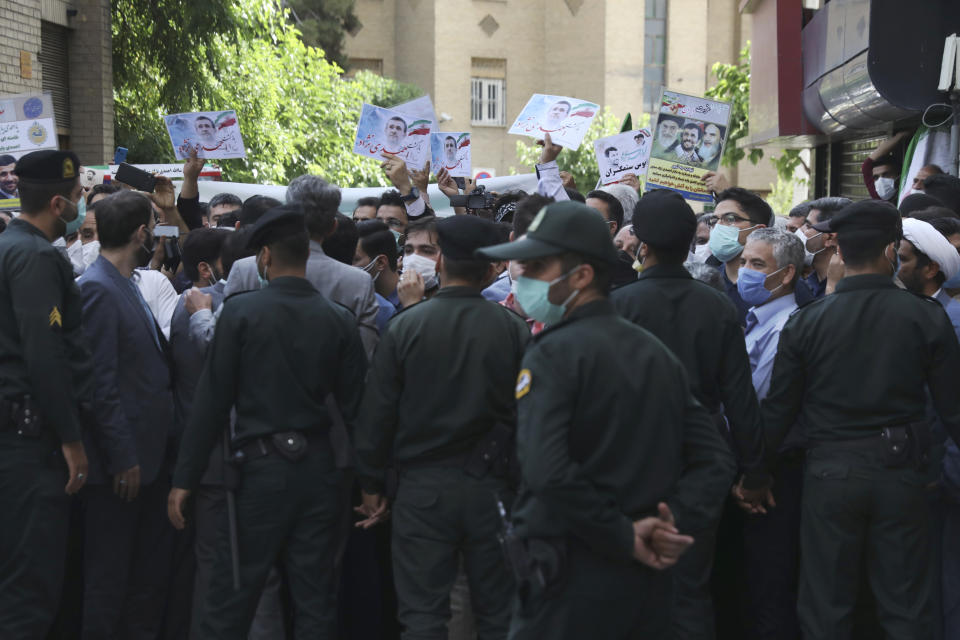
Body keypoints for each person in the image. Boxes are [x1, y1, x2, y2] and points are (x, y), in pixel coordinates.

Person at [476, 201, 736, 638]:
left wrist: (624, 534)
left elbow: (546, 471)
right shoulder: (654, 353)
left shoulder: (554, 354)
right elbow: (715, 460)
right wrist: (670, 524)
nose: (520, 277)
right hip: (641, 583)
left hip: (568, 578)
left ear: (581, 277)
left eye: (537, 266)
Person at [761, 200, 960, 638]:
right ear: (891, 251)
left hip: (830, 475)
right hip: (904, 474)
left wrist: (755, 474)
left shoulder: (807, 322)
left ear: (837, 250)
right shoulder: (925, 317)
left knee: (827, 603)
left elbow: (779, 409)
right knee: (905, 604)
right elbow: (953, 409)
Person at [169, 205, 367, 637]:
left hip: (258, 470)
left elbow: (212, 402)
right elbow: (357, 411)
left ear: (265, 257)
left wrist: (184, 479)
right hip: (320, 471)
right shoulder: (339, 319)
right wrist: (370, 485)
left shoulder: (240, 313)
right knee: (315, 599)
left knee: (233, 592)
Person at [354, 214, 530, 639]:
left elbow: (377, 414)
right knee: (496, 612)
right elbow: (529, 418)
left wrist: (371, 487)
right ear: (492, 269)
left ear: (442, 261)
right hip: (494, 490)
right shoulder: (513, 329)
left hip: (422, 492)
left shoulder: (405, 326)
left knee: (422, 615)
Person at [611, 189, 767, 640]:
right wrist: (755, 473)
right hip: (701, 465)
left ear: (642, 243)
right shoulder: (717, 306)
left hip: (630, 464)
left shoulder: (619, 307)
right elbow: (741, 399)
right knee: (690, 590)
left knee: (628, 588)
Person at [77, 190, 178, 639]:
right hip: (123, 466)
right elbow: (101, 384)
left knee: (141, 579)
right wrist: (122, 456)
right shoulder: (97, 288)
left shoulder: (128, 283)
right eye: (154, 223)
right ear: (142, 233)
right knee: (110, 580)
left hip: (147, 459)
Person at [0, 150, 89, 637]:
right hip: (29, 444)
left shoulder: (9, 247)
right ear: (58, 204)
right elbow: (45, 354)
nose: (80, 206)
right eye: (77, 198)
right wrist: (71, 440)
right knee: (29, 594)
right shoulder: (34, 256)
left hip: (15, 437)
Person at [735, 228, 805, 640]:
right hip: (755, 470)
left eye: (757, 265)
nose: (745, 272)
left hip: (769, 478)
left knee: (769, 589)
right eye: (745, 262)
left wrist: (753, 476)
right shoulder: (756, 321)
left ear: (787, 274)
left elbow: (761, 408)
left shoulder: (784, 329)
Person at [224, 175, 379, 359]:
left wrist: (200, 314)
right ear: (333, 227)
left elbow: (221, 344)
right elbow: (364, 356)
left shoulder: (245, 269)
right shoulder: (359, 282)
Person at [706, 187, 773, 323]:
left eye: (730, 219)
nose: (718, 226)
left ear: (758, 230)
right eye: (714, 220)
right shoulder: (706, 281)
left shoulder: (777, 284)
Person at [795, 197, 851, 299]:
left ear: (829, 237)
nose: (800, 231)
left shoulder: (848, 291)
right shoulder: (806, 285)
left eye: (808, 226)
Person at [861, 130, 910, 202]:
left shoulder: (906, 192)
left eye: (886, 174)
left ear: (898, 175)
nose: (881, 180)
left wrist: (900, 136)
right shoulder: (876, 195)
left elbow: (866, 165)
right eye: (876, 177)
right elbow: (866, 166)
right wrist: (899, 136)